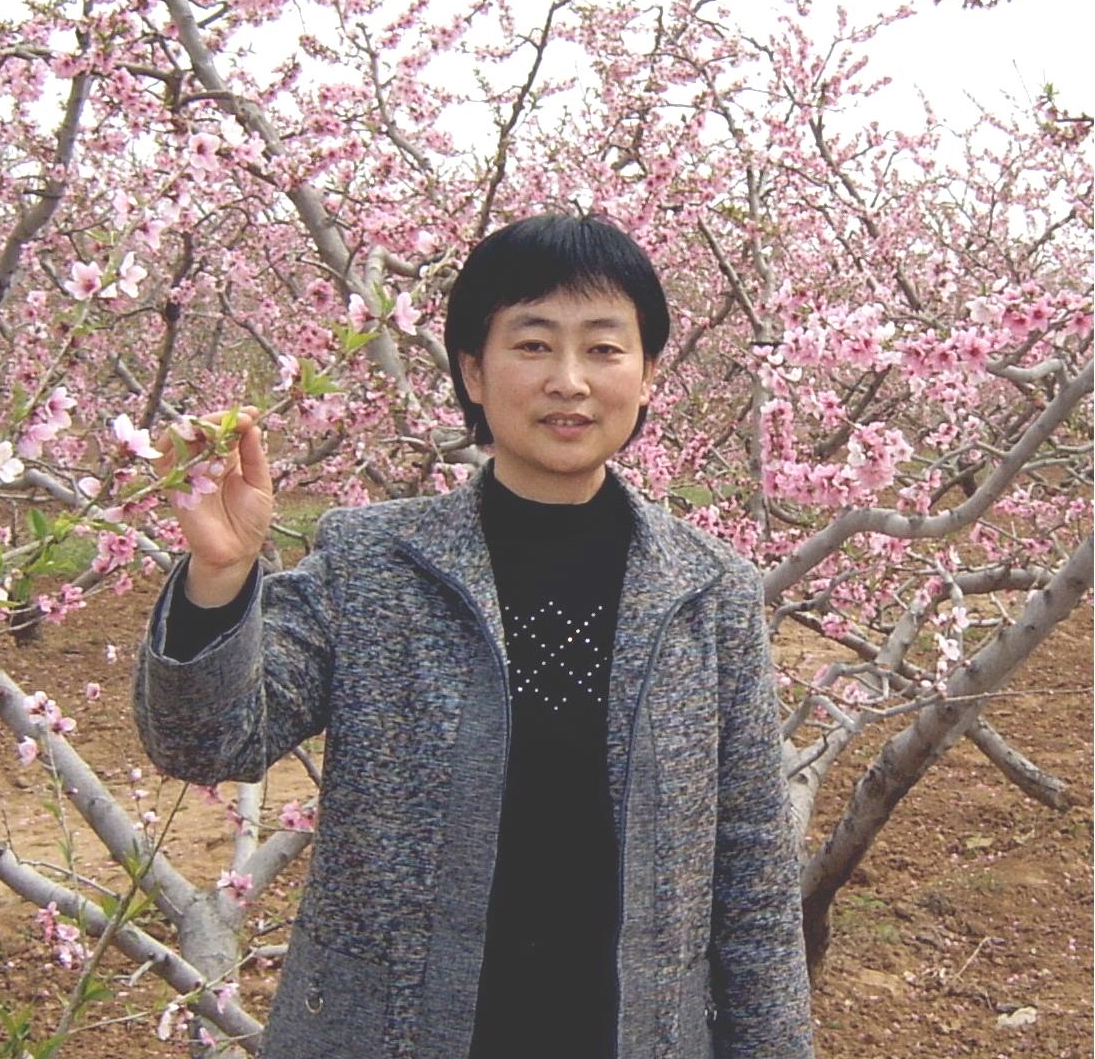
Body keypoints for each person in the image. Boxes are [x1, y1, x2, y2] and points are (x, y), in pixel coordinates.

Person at [134, 213, 814, 1059]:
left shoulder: (709, 589)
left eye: (605, 348)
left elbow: (752, 872)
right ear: (473, 372)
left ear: (646, 378)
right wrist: (220, 576)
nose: (569, 380)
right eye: (533, 345)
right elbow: (206, 743)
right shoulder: (373, 562)